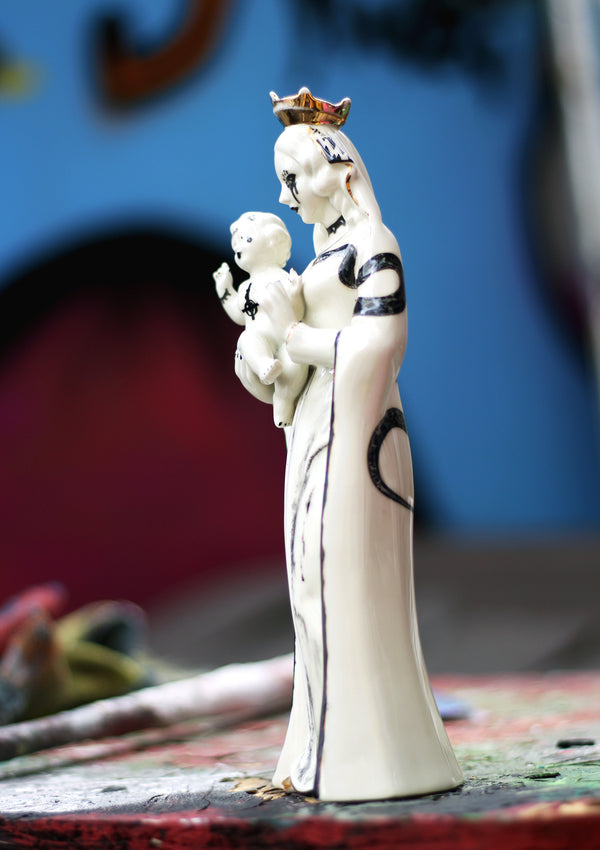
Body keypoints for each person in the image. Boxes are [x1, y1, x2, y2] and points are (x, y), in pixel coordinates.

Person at [235, 88, 462, 802]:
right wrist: (260, 353)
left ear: (332, 173)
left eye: (292, 179)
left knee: (351, 585)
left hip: (359, 436)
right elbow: (293, 367)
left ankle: (378, 757)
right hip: (314, 433)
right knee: (312, 582)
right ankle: (319, 751)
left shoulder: (373, 248)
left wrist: (297, 336)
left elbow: (378, 344)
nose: (285, 196)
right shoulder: (313, 264)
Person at [213, 211, 308, 427]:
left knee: (295, 365)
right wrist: (225, 290)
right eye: (236, 244)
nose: (239, 246)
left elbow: (297, 312)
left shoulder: (282, 278)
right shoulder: (244, 287)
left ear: (273, 241)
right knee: (246, 339)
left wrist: (295, 295)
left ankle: (284, 402)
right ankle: (264, 365)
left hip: (286, 342)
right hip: (261, 343)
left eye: (246, 239)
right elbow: (238, 315)